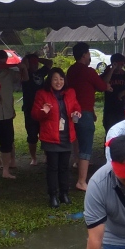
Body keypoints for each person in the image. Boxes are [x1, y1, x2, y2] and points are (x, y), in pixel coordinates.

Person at [65, 42, 113, 191]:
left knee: (76, 138)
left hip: (71, 111)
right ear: (85, 54)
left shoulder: (71, 70)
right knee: (86, 145)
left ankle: (76, 161)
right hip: (84, 111)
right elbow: (101, 85)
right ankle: (81, 181)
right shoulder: (88, 71)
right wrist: (109, 83)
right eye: (88, 54)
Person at [31, 67, 81, 208]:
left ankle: (64, 193)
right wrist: (44, 112)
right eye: (55, 79)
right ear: (50, 80)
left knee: (64, 167)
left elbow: (76, 106)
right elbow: (35, 115)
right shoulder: (42, 94)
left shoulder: (70, 92)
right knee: (53, 167)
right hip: (50, 136)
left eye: (61, 79)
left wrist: (77, 112)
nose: (58, 82)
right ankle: (53, 195)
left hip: (66, 135)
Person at [0, 48, 26, 179]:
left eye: (3, 62)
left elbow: (24, 79)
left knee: (7, 142)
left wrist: (23, 68)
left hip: (7, 114)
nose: (1, 65)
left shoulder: (10, 73)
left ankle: (5, 170)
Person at [20, 51, 52, 165]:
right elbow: (25, 76)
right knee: (32, 135)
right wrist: (25, 64)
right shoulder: (24, 73)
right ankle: (33, 158)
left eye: (35, 63)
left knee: (45, 132)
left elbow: (49, 63)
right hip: (30, 108)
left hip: (42, 108)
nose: (35, 65)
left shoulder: (40, 73)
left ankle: (46, 156)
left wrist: (37, 59)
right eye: (32, 63)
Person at [102, 53, 125, 132]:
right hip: (110, 107)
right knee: (110, 130)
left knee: (123, 131)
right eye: (117, 64)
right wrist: (112, 69)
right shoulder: (107, 73)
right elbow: (104, 83)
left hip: (122, 107)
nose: (119, 66)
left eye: (121, 64)